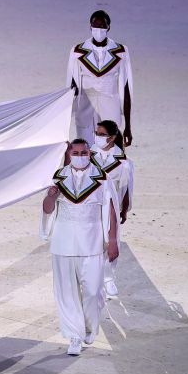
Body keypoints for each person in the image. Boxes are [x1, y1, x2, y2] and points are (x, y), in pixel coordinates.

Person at [41, 139, 119, 355]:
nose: (80, 156)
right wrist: (51, 196)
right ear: (69, 154)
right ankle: (74, 335)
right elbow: (47, 210)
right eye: (75, 152)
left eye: (84, 152)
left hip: (91, 243)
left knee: (93, 292)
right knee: (67, 294)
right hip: (63, 243)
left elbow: (110, 209)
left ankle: (88, 328)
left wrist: (112, 240)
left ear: (89, 153)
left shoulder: (102, 178)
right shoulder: (58, 178)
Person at [66, 10, 133, 147]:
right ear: (90, 27)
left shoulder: (121, 51)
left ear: (109, 27)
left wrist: (128, 126)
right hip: (85, 107)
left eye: (102, 26)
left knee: (111, 150)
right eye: (95, 26)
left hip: (110, 105)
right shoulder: (77, 51)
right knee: (86, 148)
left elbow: (127, 88)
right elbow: (71, 87)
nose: (99, 30)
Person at [91, 120, 134, 298]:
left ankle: (108, 278)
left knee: (112, 239)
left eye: (102, 134)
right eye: (97, 133)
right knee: (93, 240)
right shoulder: (88, 153)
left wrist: (124, 209)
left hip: (112, 206)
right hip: (91, 204)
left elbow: (126, 188)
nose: (98, 137)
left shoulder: (123, 162)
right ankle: (93, 278)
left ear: (112, 137)